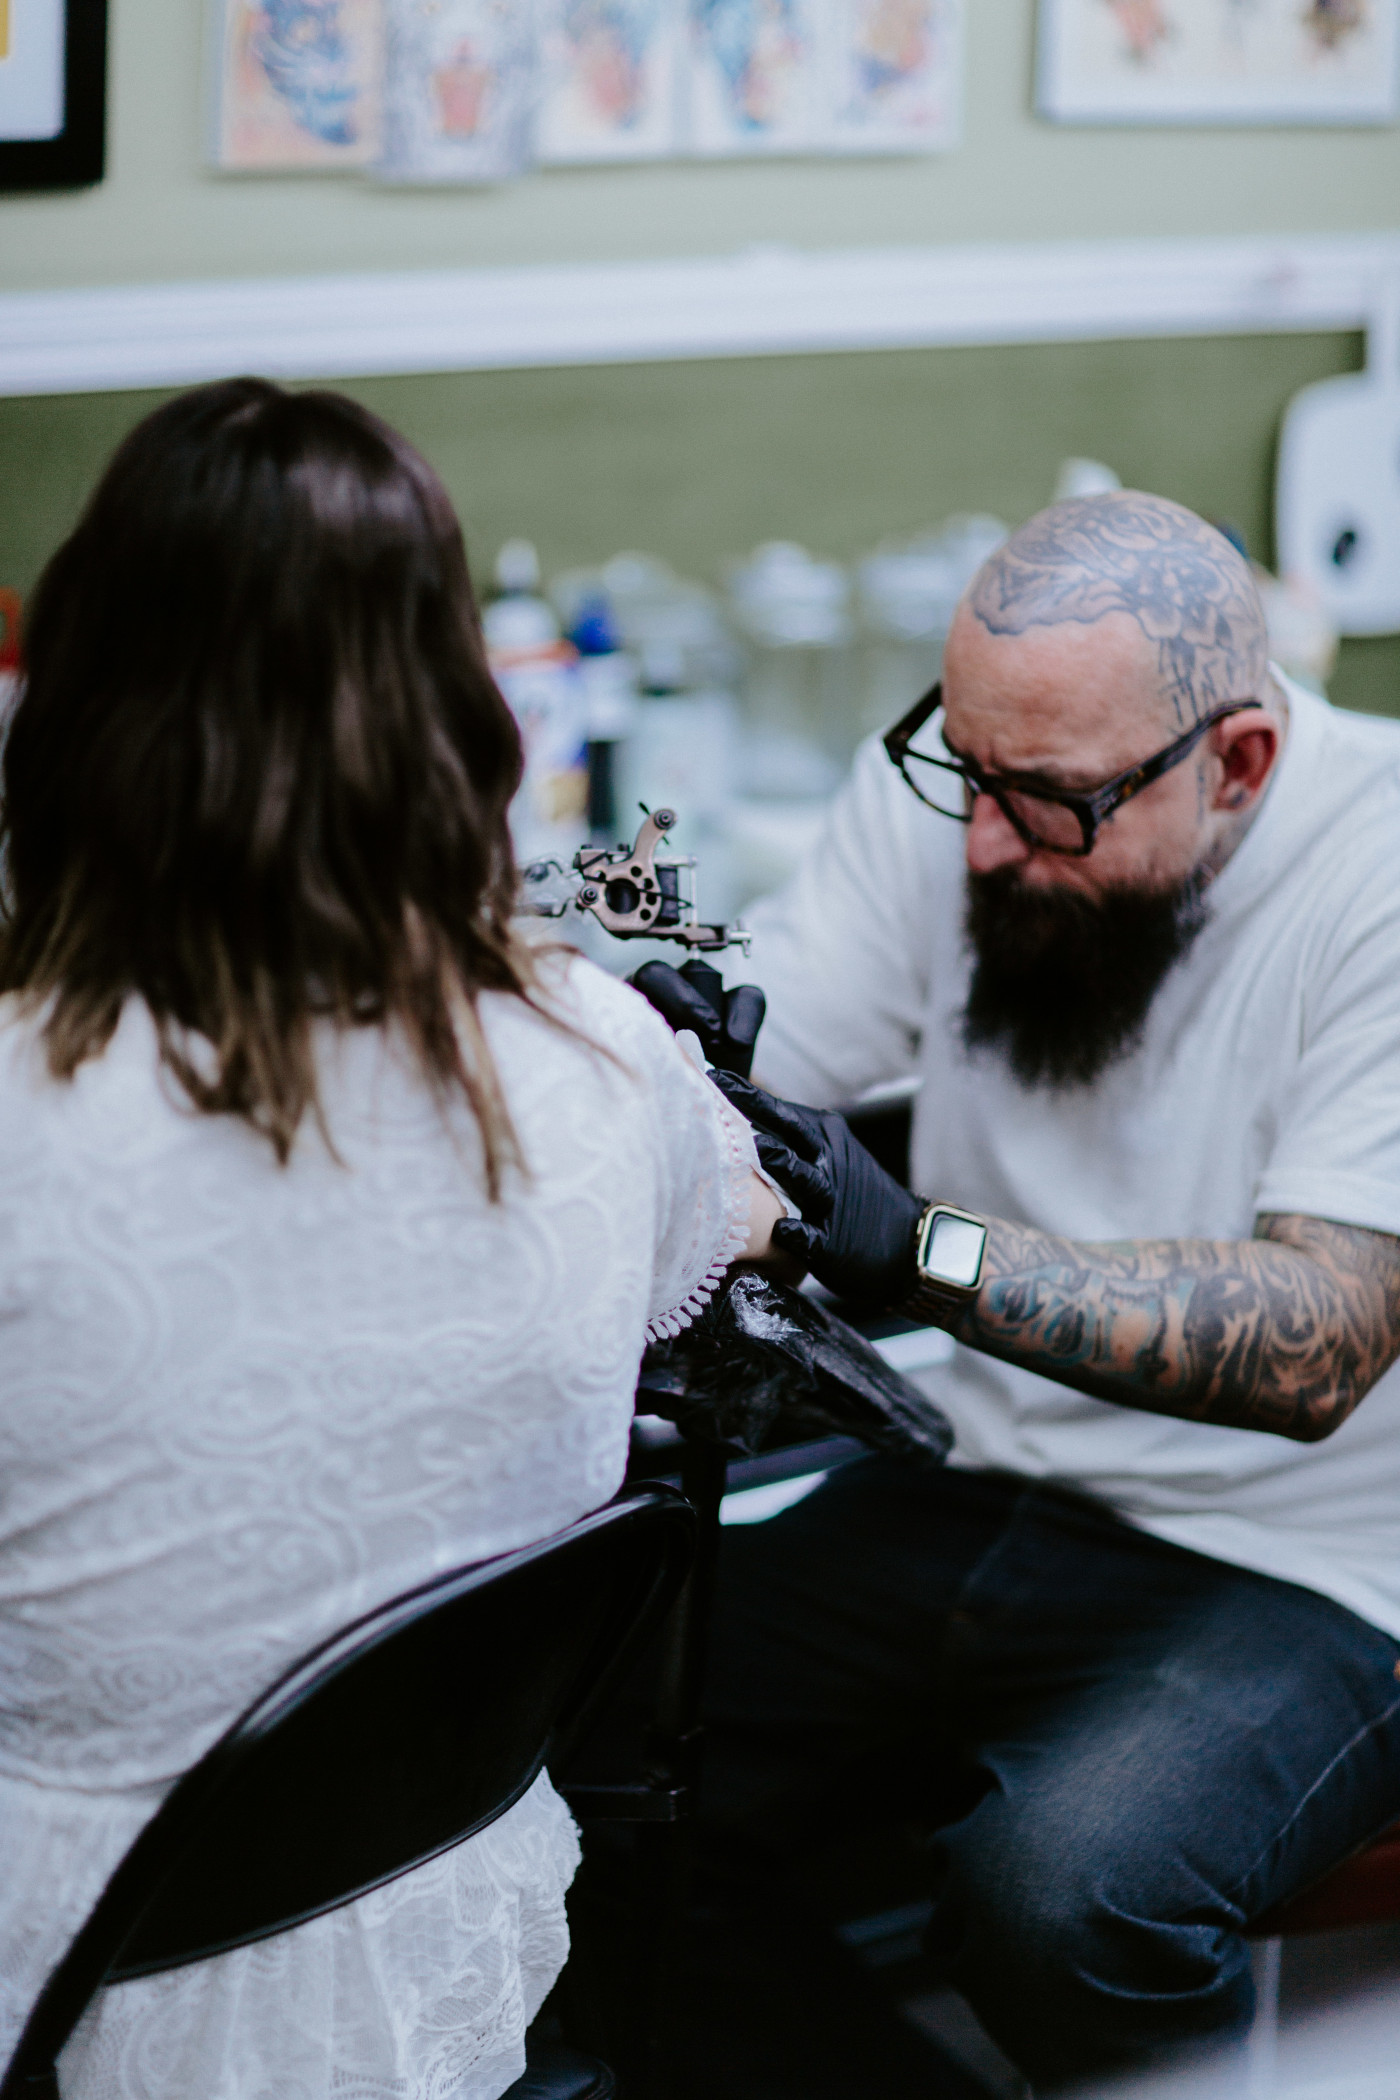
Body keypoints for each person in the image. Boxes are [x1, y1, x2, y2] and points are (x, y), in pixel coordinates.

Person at [0, 377, 787, 2100]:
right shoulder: (595, 1052)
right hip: (427, 1942)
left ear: (74, 705)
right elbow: (742, 1220)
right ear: (456, 702)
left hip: (75, 1993)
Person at [634, 493, 1400, 2091]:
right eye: (963, 771)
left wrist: (924, 1249)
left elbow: (1319, 1335)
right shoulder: (987, 783)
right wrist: (622, 1044)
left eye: (1049, 805)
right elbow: (767, 1051)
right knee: (590, 1765)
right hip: (979, 1471)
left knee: (1065, 1896)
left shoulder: (1378, 877)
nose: (980, 841)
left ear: (1238, 763)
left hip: (1306, 1555)